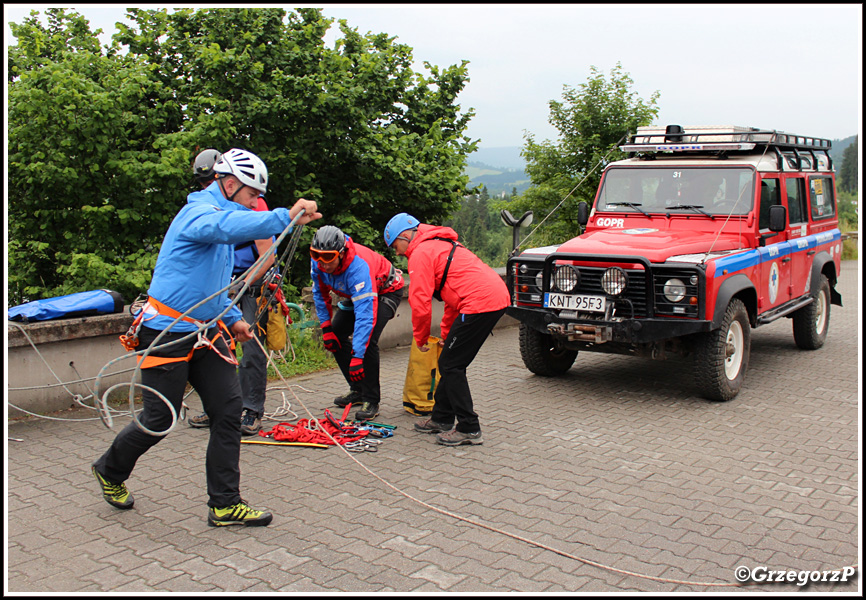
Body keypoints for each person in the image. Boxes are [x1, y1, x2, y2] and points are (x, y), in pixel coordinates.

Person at [92, 148, 321, 527]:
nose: (253, 205)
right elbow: (226, 227)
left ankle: (225, 504)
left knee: (228, 412)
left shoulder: (224, 217)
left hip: (206, 333)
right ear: (229, 185)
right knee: (159, 418)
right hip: (165, 332)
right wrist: (285, 216)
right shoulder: (198, 214)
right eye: (250, 197)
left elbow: (213, 285)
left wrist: (232, 319)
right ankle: (109, 470)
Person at [383, 213, 509, 446]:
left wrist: (420, 337)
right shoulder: (439, 244)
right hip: (488, 298)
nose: (397, 252)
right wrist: (446, 333)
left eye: (395, 246)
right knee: (450, 362)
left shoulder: (420, 253)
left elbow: (420, 303)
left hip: (480, 303)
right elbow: (453, 296)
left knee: (452, 365)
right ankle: (441, 418)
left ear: (404, 236)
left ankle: (469, 427)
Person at [187, 148, 275, 436]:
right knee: (211, 347)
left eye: (210, 182)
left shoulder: (253, 206)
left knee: (250, 348)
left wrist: (243, 284)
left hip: (250, 283)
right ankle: (219, 406)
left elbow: (267, 256)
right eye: (202, 185)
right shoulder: (207, 209)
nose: (207, 189)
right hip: (222, 286)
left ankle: (251, 410)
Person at [310, 225, 404, 421]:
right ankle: (358, 390)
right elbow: (320, 294)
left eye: (329, 258)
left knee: (368, 341)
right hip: (356, 294)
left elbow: (365, 316)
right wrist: (326, 328)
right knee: (335, 336)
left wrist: (357, 357)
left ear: (342, 254)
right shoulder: (318, 261)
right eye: (317, 256)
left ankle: (372, 399)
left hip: (386, 291)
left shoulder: (358, 266)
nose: (323, 265)